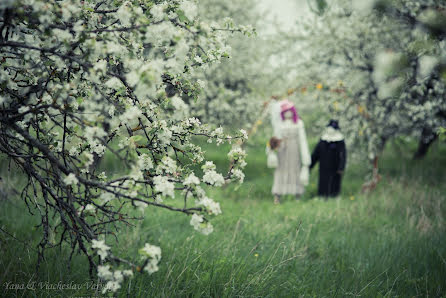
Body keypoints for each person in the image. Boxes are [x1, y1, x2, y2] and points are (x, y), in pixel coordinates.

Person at [271, 100, 311, 204]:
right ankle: (277, 195)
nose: (288, 113)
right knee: (281, 170)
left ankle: (297, 194)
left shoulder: (298, 123)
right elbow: (276, 138)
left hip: (294, 149)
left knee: (294, 169)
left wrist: (305, 157)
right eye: (285, 110)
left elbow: (302, 140)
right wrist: (272, 148)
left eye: (289, 110)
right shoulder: (280, 124)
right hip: (282, 150)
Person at [310, 120, 347, 198]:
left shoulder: (340, 141)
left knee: (335, 182)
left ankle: (334, 196)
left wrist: (341, 167)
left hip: (335, 166)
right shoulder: (323, 140)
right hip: (324, 165)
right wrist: (310, 165)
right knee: (323, 181)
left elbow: (343, 155)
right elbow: (316, 153)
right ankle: (322, 196)